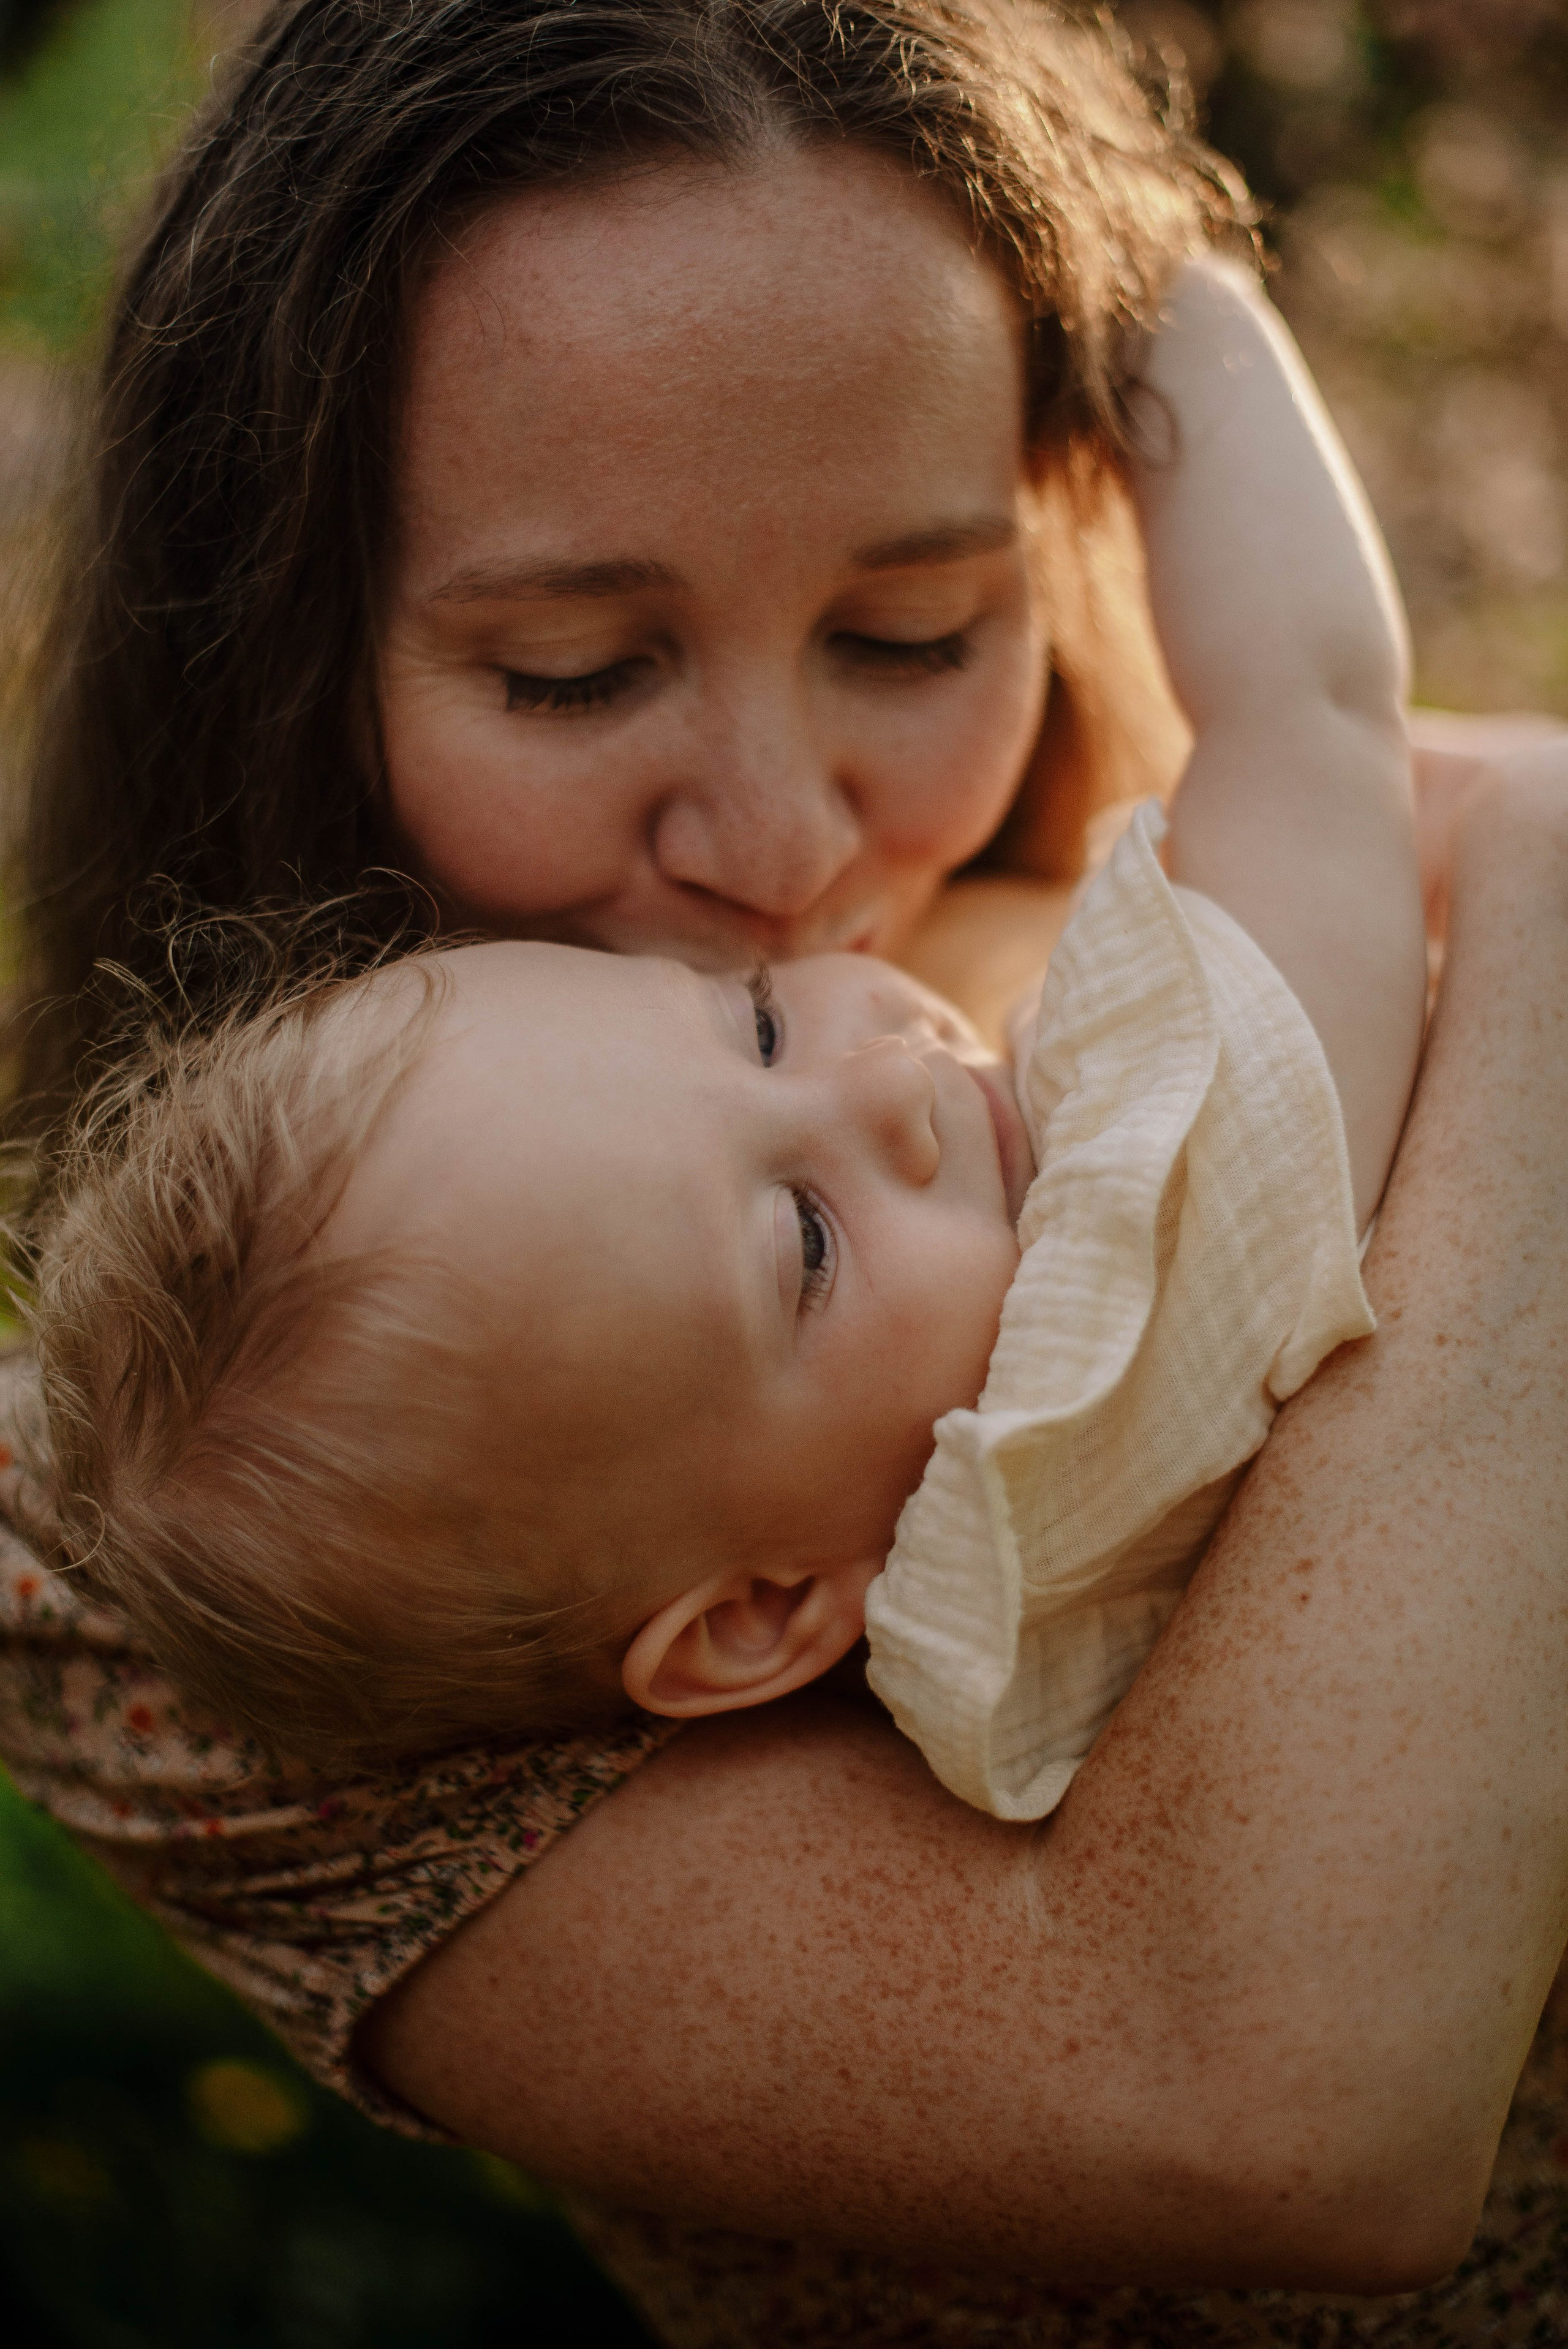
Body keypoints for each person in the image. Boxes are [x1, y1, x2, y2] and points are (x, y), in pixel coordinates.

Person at [2, 3, 1567, 2341]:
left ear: (1055, 520)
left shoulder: (1122, 951)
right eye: (568, 673)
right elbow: (1283, 2105)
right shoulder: (202, 1498)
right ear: (285, 640)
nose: (791, 849)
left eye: (914, 630)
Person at [23, 257, 1427, 1818]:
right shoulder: (1111, 1332)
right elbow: (1308, 712)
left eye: (754, 1021)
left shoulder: (961, 1666)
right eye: (808, 1244)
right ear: (753, 1616)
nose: (889, 1077)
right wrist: (1179, 311)